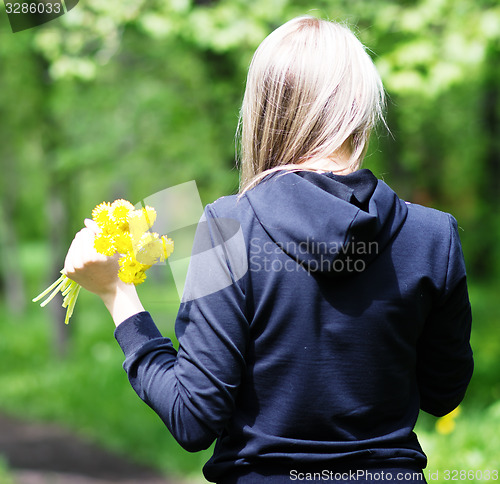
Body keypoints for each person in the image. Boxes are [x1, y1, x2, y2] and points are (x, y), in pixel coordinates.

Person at [63, 16, 473, 483]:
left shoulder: (225, 224)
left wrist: (119, 296)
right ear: (360, 106)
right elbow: (444, 393)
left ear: (265, 108)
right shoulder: (434, 234)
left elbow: (193, 417)